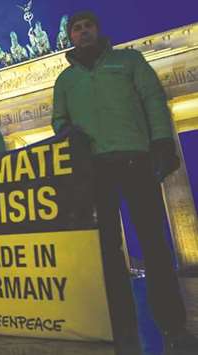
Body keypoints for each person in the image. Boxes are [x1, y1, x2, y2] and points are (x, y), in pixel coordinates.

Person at [52, 11, 197, 350]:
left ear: (97, 31)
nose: (83, 32)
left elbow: (152, 99)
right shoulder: (65, 80)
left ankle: (173, 325)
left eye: (88, 26)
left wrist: (162, 140)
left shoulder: (129, 60)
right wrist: (68, 139)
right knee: (105, 248)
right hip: (95, 167)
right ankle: (119, 323)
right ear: (70, 36)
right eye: (77, 28)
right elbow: (59, 121)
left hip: (135, 157)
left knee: (154, 242)